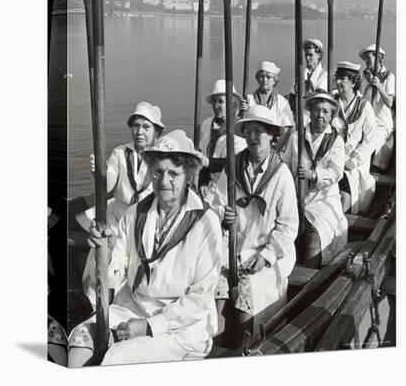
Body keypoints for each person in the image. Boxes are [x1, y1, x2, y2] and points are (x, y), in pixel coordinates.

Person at [65, 130, 222, 367]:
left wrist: (150, 326)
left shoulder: (206, 222)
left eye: (174, 173)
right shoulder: (133, 213)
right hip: (132, 310)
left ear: (189, 175)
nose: (164, 180)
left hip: (181, 328)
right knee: (79, 337)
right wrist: (105, 253)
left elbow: (200, 298)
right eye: (158, 172)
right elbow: (110, 278)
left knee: (119, 357)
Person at [211, 105, 298, 338]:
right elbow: (215, 203)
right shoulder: (233, 167)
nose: (252, 137)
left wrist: (266, 256)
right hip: (233, 248)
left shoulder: (281, 174)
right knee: (216, 292)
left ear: (272, 136)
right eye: (248, 131)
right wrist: (223, 214)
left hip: (264, 253)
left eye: (258, 131)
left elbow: (288, 227)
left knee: (246, 296)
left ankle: (243, 346)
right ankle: (213, 345)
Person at [76, 102, 165, 233]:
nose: (139, 132)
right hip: (118, 222)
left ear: (157, 131)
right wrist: (101, 173)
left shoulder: (163, 156)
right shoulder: (120, 152)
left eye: (146, 127)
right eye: (136, 126)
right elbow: (108, 187)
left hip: (150, 224)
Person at [283, 92, 347, 268]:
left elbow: (337, 172)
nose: (321, 115)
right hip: (297, 197)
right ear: (310, 112)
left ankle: (309, 277)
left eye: (326, 112)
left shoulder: (336, 141)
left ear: (331, 116)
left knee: (316, 232)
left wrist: (314, 175)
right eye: (317, 110)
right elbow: (285, 165)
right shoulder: (297, 137)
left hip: (322, 200)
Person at [333, 62, 377, 215]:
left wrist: (354, 161)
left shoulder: (364, 106)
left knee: (346, 181)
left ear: (353, 82)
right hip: (332, 155)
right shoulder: (331, 102)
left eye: (342, 78)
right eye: (337, 78)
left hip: (353, 159)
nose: (338, 82)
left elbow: (371, 139)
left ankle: (341, 218)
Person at [240, 61, 295, 152]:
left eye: (268, 77)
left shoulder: (282, 102)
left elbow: (288, 129)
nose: (265, 80)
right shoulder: (248, 100)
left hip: (277, 148)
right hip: (253, 147)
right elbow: (241, 127)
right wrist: (243, 111)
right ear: (258, 79)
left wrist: (275, 150)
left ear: (274, 81)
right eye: (262, 76)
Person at [359, 44, 395, 172]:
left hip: (381, 124)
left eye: (369, 59)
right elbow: (361, 97)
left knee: (372, 142)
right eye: (365, 59)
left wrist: (379, 87)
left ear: (378, 58)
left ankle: (372, 172)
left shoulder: (389, 76)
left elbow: (390, 102)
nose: (366, 62)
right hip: (367, 121)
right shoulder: (365, 76)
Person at [199, 78, 247, 159]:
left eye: (220, 101)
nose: (216, 106)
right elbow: (201, 149)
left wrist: (208, 163)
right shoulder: (206, 124)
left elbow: (235, 162)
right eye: (214, 101)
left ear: (232, 103)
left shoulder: (239, 128)